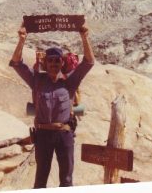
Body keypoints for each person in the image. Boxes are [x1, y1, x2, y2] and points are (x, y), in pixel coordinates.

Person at [9, 22, 94, 188]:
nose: (54, 64)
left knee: (67, 180)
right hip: (42, 135)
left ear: (62, 64)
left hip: (64, 135)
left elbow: (89, 62)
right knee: (40, 179)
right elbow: (16, 63)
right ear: (45, 64)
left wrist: (84, 38)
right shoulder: (37, 80)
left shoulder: (70, 82)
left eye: (57, 61)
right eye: (50, 61)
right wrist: (21, 40)